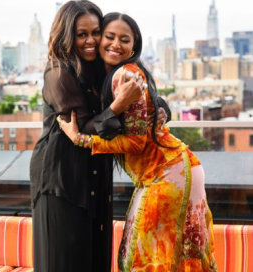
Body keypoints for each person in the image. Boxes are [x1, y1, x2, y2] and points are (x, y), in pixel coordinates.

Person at [58, 12, 218, 272]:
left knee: (143, 258)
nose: (116, 44)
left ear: (135, 46)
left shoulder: (125, 75)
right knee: (164, 256)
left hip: (167, 173)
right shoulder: (117, 74)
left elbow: (135, 144)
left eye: (125, 39)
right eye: (109, 37)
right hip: (174, 168)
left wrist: (82, 139)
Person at [30, 1, 170, 272]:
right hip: (62, 181)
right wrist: (118, 106)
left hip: (95, 177)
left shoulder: (101, 68)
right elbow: (81, 130)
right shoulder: (58, 73)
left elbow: (150, 98)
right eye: (82, 34)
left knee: (95, 259)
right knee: (65, 260)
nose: (91, 40)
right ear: (67, 35)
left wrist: (161, 111)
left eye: (96, 32)